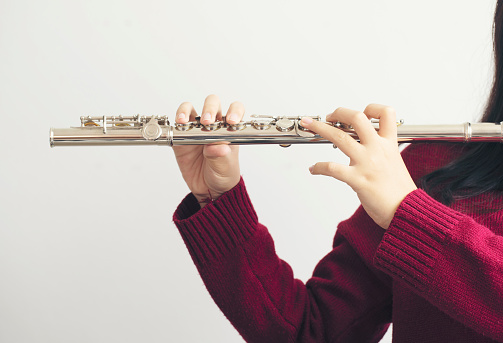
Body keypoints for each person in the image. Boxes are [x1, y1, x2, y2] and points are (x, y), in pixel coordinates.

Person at [171, 3, 503, 343]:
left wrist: (412, 215)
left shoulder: (409, 202)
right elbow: (311, 333)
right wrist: (220, 200)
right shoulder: (432, 166)